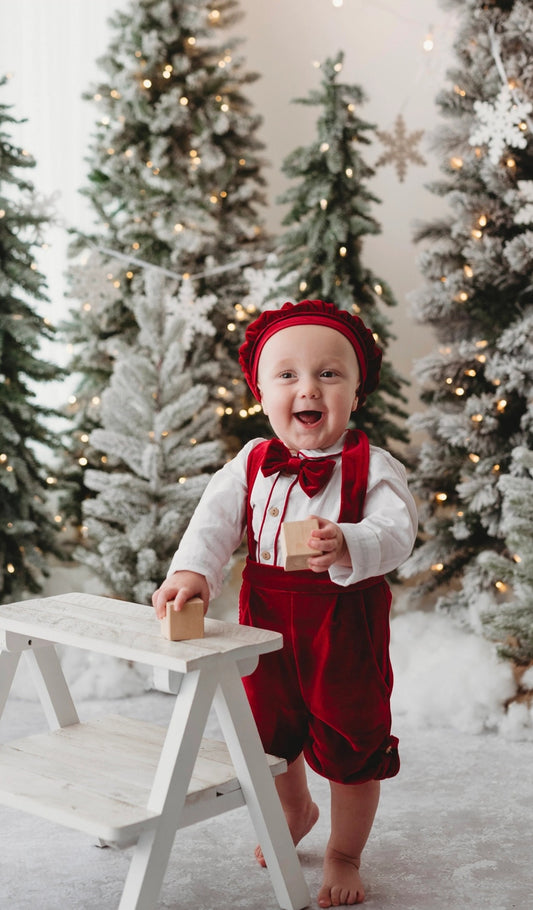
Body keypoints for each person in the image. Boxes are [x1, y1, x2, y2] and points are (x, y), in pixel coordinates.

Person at [152, 299, 417, 907]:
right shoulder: (252, 461)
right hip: (265, 614)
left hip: (342, 620)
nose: (309, 388)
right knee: (267, 730)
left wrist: (350, 539)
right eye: (288, 374)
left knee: (353, 736)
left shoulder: (372, 466)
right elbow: (214, 522)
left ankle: (345, 851)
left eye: (329, 374)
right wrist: (193, 573)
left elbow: (399, 532)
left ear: (356, 392)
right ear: (262, 392)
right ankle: (294, 810)